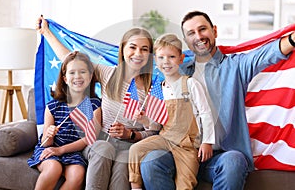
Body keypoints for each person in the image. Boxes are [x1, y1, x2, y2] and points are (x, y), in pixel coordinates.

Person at [140, 10, 295, 190]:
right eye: (191, 33)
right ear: (186, 41)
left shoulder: (235, 66)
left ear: (214, 31)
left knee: (233, 161)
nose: (198, 36)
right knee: (151, 161)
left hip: (219, 156)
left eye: (202, 29)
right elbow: (143, 73)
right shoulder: (178, 70)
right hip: (181, 151)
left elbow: (267, 53)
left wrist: (292, 40)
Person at [35, 16, 161, 190]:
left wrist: (131, 135)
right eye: (132, 47)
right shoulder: (108, 73)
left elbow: (154, 132)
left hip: (129, 147)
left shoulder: (153, 90)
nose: (138, 53)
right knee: (103, 148)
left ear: (150, 55)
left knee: (122, 169)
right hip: (101, 143)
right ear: (123, 49)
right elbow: (71, 61)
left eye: (144, 49)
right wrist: (47, 33)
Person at [128, 33, 215, 190]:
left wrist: (207, 141)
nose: (166, 62)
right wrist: (145, 120)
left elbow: (205, 113)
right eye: (161, 57)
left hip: (187, 145)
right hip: (165, 138)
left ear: (181, 59)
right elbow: (157, 125)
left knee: (186, 184)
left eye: (171, 57)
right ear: (155, 60)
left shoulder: (190, 84)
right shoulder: (157, 89)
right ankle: (136, 188)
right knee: (135, 149)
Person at [27, 51, 101, 190]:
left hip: (73, 152)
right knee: (53, 168)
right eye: (72, 72)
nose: (77, 76)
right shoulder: (53, 106)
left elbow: (89, 138)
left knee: (77, 174)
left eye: (83, 72)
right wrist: (49, 134)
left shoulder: (95, 106)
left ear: (91, 76)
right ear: (65, 78)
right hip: (50, 148)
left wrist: (61, 150)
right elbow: (46, 143)